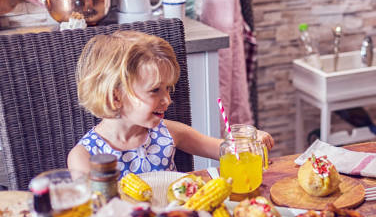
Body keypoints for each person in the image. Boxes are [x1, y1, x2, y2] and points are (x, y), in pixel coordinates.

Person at [67, 30, 274, 177]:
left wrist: (249, 142)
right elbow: (93, 214)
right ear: (115, 97)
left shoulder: (168, 133)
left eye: (168, 88)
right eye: (155, 90)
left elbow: (224, 150)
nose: (167, 100)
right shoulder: (84, 157)